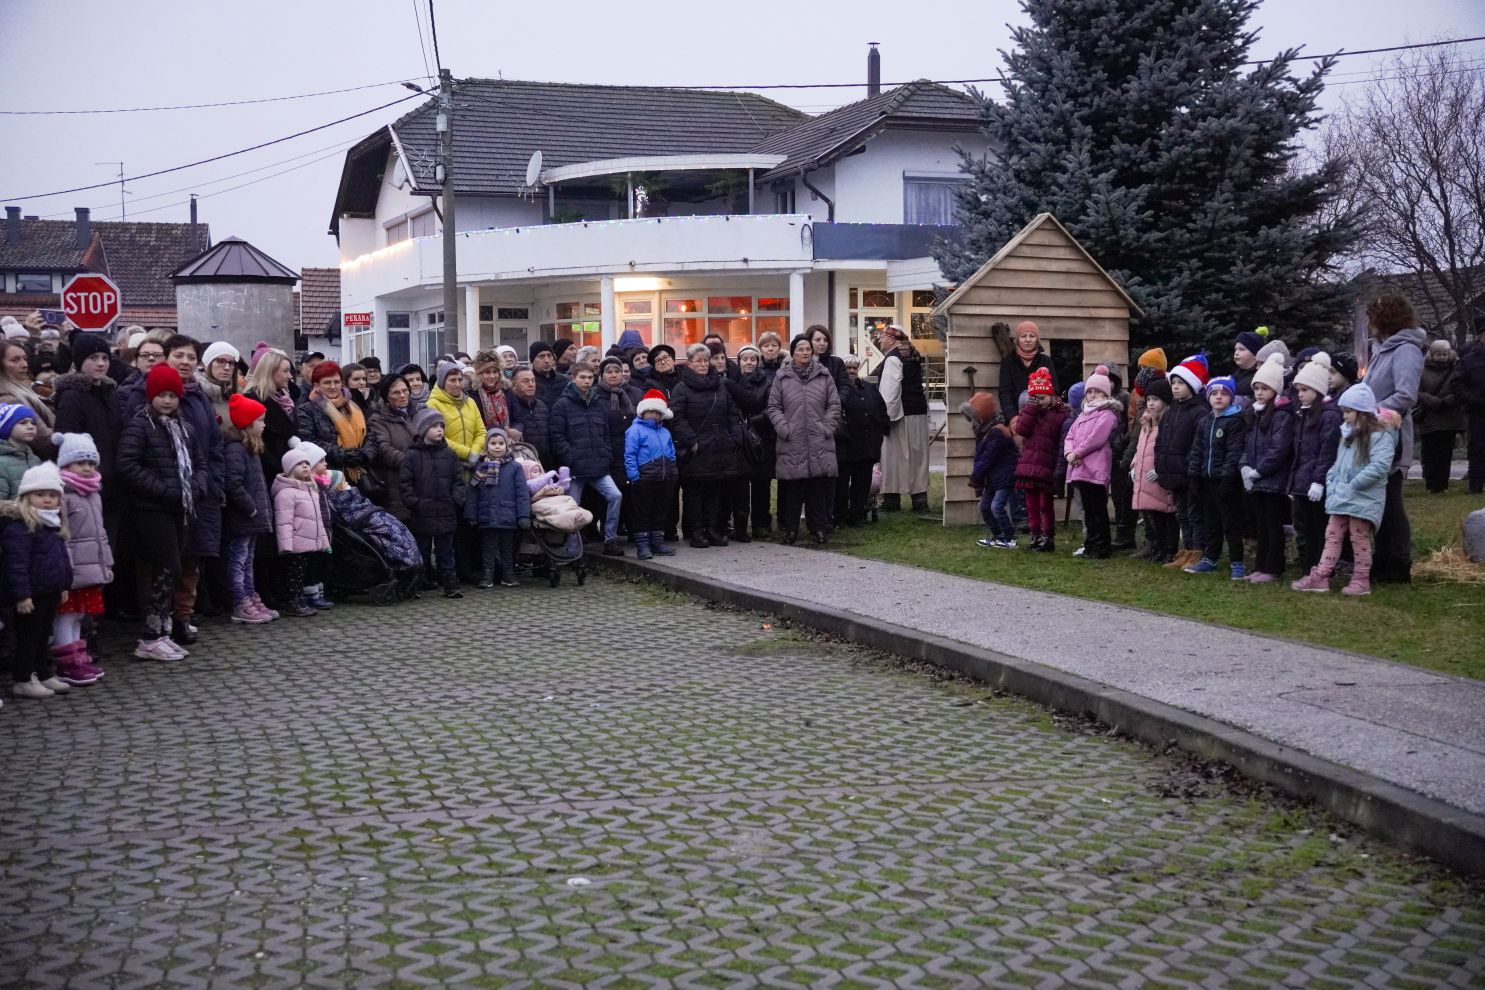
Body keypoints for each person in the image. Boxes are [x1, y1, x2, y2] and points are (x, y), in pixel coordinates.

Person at [116, 364, 199, 661]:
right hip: (151, 508)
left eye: (172, 395)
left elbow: (199, 463)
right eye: (161, 395)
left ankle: (162, 630)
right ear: (151, 396)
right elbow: (127, 465)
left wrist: (196, 487)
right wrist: (164, 489)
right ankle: (150, 636)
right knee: (167, 567)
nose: (167, 401)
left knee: (174, 567)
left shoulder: (185, 427)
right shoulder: (140, 426)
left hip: (181, 507)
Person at [1291, 384, 1399, 596]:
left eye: (1349, 412)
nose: (1345, 417)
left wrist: (1355, 484)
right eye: (1344, 412)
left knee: (1359, 539)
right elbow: (1338, 463)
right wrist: (1331, 480)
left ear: (1362, 412)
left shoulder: (1380, 436)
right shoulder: (1348, 435)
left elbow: (1379, 466)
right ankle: (1321, 575)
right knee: (1332, 535)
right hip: (1342, 495)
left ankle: (1361, 579)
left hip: (1362, 498)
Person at [1361, 294, 1427, 584]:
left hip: (1391, 433)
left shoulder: (1406, 350)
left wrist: (1370, 412)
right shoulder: (1383, 350)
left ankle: (1398, 564)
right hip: (1373, 432)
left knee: (1391, 501)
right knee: (1379, 500)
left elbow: (1405, 394)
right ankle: (1382, 559)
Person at [3, 463, 74, 699]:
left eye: (52, 495)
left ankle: (43, 672)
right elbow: (16, 564)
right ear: (27, 496)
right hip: (31, 593)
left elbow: (61, 557)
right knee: (28, 636)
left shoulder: (53, 523)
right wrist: (22, 595)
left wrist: (64, 584)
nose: (47, 500)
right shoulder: (21, 526)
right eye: (40, 494)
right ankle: (23, 678)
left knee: (44, 634)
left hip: (50, 589)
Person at [670, 343, 747, 547]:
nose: (703, 364)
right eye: (699, 361)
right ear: (689, 363)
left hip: (721, 446)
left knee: (716, 491)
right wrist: (692, 441)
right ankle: (696, 532)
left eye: (706, 360)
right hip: (697, 449)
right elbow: (676, 418)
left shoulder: (720, 385)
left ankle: (713, 529)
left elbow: (732, 414)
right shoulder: (682, 388)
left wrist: (734, 437)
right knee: (695, 493)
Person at [768, 335, 842, 545]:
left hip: (819, 440)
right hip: (792, 441)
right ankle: (790, 530)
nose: (805, 352)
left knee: (817, 490)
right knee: (792, 490)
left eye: (808, 349)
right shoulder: (782, 377)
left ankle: (818, 529)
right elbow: (774, 407)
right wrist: (785, 429)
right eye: (800, 349)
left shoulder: (823, 375)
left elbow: (834, 404)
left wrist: (826, 427)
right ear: (792, 353)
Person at [52, 435, 111, 685]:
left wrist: (106, 564)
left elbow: (100, 534)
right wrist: (66, 570)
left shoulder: (94, 493)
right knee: (65, 615)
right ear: (65, 465)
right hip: (72, 569)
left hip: (90, 568)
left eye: (90, 462)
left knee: (79, 614)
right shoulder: (62, 494)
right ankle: (66, 662)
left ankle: (79, 656)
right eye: (80, 463)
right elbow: (62, 537)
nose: (87, 468)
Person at [550, 363, 624, 556]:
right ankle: (573, 548)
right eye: (582, 377)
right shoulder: (562, 405)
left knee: (615, 496)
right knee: (572, 508)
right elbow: (557, 436)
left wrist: (606, 454)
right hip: (575, 469)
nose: (587, 381)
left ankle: (610, 539)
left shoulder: (598, 403)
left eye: (590, 378)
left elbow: (606, 433)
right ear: (573, 378)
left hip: (598, 465)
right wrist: (570, 458)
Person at [1184, 376, 1249, 578]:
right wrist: (1194, 476)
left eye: (1223, 394)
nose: (1218, 397)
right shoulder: (1205, 421)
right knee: (1211, 522)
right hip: (1207, 480)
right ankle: (1211, 558)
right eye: (1214, 393)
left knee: (1230, 523)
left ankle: (1237, 562)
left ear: (1231, 397)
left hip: (1227, 482)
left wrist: (1228, 477)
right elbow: (1197, 451)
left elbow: (1234, 452)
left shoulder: (1236, 421)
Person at [1239, 354, 1295, 583]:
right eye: (1257, 388)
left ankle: (1273, 566)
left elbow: (1278, 449)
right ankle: (1260, 565)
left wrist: (1259, 470)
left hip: (1272, 480)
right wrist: (1243, 467)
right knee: (1260, 525)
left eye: (1265, 388)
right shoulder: (1254, 413)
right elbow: (1246, 444)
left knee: (1273, 525)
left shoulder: (1282, 415)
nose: (1259, 392)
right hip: (1256, 480)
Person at [399, 408, 466, 598]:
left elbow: (458, 481)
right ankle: (416, 585)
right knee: (422, 552)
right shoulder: (411, 456)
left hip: (446, 511)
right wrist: (415, 503)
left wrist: (455, 500)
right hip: (422, 513)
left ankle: (450, 585)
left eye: (441, 426)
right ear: (423, 429)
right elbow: (405, 484)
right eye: (434, 426)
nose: (439, 430)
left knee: (446, 552)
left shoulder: (450, 455)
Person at [1287, 353, 1342, 575]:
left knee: (1319, 526)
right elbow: (1298, 452)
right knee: (1304, 527)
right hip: (1301, 482)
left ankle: (1322, 568)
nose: (1300, 395)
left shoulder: (1329, 416)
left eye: (1305, 390)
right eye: (1298, 390)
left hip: (1316, 485)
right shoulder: (1303, 415)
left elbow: (1326, 452)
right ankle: (1307, 566)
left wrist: (1318, 481)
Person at [222, 395, 275, 624]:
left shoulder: (251, 449)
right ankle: (240, 600)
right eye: (260, 420)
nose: (264, 425)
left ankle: (251, 595)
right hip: (243, 517)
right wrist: (251, 509)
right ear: (248, 423)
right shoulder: (236, 450)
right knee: (239, 558)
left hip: (251, 518)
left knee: (247, 558)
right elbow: (232, 483)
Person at [1062, 366, 1123, 560]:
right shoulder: (1083, 414)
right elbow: (1070, 436)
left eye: (1097, 391)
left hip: (1095, 468)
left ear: (1105, 393)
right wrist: (1069, 453)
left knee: (1097, 509)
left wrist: (1077, 452)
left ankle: (1101, 546)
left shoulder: (1107, 415)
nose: (1092, 395)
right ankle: (1090, 544)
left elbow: (1096, 438)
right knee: (1087, 510)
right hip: (1079, 467)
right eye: (1089, 391)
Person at [1158, 355, 1211, 568]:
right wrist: (1160, 463)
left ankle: (1197, 551)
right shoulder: (1170, 411)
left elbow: (1198, 445)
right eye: (1174, 383)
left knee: (1195, 514)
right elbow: (1161, 441)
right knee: (1183, 515)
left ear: (1192, 385)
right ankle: (1186, 551)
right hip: (1174, 474)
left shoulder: (1199, 412)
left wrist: (1191, 467)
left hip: (1190, 474)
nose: (1176, 387)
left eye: (1181, 383)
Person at [464, 427, 531, 588]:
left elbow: (522, 493)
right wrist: (471, 515)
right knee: (488, 547)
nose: (497, 446)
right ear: (486, 447)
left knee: (507, 547)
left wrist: (523, 515)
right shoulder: (480, 468)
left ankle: (508, 574)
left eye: (501, 443)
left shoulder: (514, 467)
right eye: (493, 443)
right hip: (486, 514)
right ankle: (488, 574)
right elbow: (472, 492)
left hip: (507, 515)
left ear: (507, 446)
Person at [273, 440, 332, 617]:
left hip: (309, 543)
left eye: (307, 463)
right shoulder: (286, 493)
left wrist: (323, 541)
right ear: (290, 468)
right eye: (300, 464)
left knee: (301, 574)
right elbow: (283, 522)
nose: (305, 466)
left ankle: (300, 599)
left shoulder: (311, 490)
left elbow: (318, 520)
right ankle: (292, 601)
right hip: (295, 544)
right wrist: (286, 545)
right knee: (293, 575)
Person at [1014, 368, 1070, 552]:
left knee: (1045, 505)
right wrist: (1030, 409)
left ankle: (1048, 536)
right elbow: (1021, 430)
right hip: (1029, 465)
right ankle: (1035, 534)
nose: (1039, 402)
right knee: (1031, 505)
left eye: (1042, 397)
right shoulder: (1029, 412)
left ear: (1051, 396)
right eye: (1035, 398)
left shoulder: (1060, 414)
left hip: (1046, 465)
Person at [295, 360, 376, 486]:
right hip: (328, 476)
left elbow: (370, 435)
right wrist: (348, 456)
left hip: (362, 473)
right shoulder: (305, 410)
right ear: (316, 385)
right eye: (327, 382)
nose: (333, 387)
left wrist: (365, 455)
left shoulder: (353, 406)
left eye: (337, 382)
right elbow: (310, 442)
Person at [877, 324, 930, 512]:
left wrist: (886, 418)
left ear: (892, 340)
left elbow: (890, 392)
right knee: (918, 457)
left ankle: (891, 499)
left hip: (900, 415)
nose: (879, 339)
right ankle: (920, 499)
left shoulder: (893, 359)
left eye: (882, 336)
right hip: (918, 412)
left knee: (892, 457)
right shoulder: (911, 357)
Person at [835, 354, 889, 528]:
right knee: (842, 484)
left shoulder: (869, 388)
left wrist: (880, 432)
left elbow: (881, 410)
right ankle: (840, 516)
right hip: (845, 445)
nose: (851, 371)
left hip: (866, 445)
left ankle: (857, 515)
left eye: (854, 368)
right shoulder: (837, 388)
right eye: (847, 368)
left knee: (862, 483)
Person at [624, 389, 679, 560]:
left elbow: (671, 453)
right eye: (651, 411)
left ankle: (657, 542)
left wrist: (673, 471)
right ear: (643, 411)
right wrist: (634, 475)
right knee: (642, 513)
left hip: (664, 477)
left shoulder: (665, 432)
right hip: (644, 478)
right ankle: (642, 545)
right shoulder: (635, 430)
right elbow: (630, 454)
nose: (654, 415)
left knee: (659, 511)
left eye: (658, 412)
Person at [1129, 379, 1178, 562]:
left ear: (1165, 401)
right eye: (1149, 399)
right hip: (1146, 476)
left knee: (1167, 514)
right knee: (1154, 515)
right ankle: (1158, 548)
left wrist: (1161, 470)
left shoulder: (1167, 424)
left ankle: (1169, 550)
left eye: (1156, 399)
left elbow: (1168, 450)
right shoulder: (1146, 424)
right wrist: (1134, 465)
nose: (1151, 403)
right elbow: (1140, 449)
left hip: (1159, 477)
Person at [733, 345, 777, 537]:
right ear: (739, 362)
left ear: (758, 362)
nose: (748, 362)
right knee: (739, 486)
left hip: (762, 438)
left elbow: (773, 407)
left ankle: (761, 524)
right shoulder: (732, 381)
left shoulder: (767, 383)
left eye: (752, 359)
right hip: (738, 439)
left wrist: (755, 420)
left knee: (761, 485)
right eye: (745, 359)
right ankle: (740, 525)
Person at [963, 392, 1017, 548]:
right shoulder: (985, 431)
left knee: (996, 507)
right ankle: (997, 535)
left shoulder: (997, 432)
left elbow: (987, 458)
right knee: (984, 507)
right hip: (993, 478)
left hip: (1005, 477)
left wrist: (975, 477)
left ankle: (1010, 537)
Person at [595, 357, 637, 538]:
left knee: (630, 493)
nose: (614, 375)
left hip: (629, 450)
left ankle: (630, 529)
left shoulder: (631, 393)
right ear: (602, 375)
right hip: (607, 450)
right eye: (609, 372)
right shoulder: (595, 395)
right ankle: (609, 532)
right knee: (611, 495)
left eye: (617, 371)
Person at [1416, 339, 1464, 493]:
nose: (1442, 357)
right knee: (1430, 452)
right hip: (1429, 417)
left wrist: (1447, 401)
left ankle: (1443, 484)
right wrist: (1434, 401)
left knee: (1445, 452)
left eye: (1444, 354)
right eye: (1438, 354)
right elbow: (1416, 391)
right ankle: (1432, 484)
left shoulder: (1456, 369)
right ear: (1432, 354)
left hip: (1449, 416)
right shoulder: (1421, 370)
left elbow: (1460, 388)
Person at [243, 348, 298, 483]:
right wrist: (281, 469)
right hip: (270, 473)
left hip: (290, 469)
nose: (290, 376)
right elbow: (256, 443)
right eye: (285, 371)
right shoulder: (252, 398)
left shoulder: (285, 398)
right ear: (270, 371)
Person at [425, 360, 485, 470]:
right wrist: (467, 453)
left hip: (473, 465)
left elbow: (481, 432)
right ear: (443, 382)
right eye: (452, 380)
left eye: (460, 379)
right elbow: (438, 437)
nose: (457, 384)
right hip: (445, 465)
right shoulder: (432, 404)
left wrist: (475, 452)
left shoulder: (470, 402)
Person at [0, 338, 56, 455]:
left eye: (25, 358)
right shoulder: (9, 400)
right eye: (15, 360)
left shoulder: (28, 388)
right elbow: (42, 439)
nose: (25, 365)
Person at [998, 320, 1056, 420]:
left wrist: (1044, 403)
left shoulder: (1046, 361)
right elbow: (1005, 393)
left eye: (1032, 336)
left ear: (1037, 340)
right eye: (1023, 336)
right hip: (1016, 417)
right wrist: (1012, 418)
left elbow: (1054, 389)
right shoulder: (1008, 362)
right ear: (1017, 340)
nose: (1028, 340)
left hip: (1042, 416)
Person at [1456, 319, 1485, 494]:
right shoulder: (1468, 360)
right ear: (1480, 336)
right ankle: (1475, 485)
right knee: (1477, 449)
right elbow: (1456, 383)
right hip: (1478, 412)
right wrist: (1471, 399)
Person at [507, 367, 554, 468]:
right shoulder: (508, 407)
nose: (531, 384)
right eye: (525, 381)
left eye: (533, 381)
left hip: (545, 464)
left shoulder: (541, 406)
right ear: (513, 384)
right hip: (522, 464)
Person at [0, 404, 42, 499]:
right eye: (23, 423)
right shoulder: (1, 464)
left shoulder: (36, 460)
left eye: (33, 423)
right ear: (6, 427)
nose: (30, 426)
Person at [197, 341, 241, 427]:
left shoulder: (236, 393)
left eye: (231, 363)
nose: (227, 368)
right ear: (208, 363)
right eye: (221, 361)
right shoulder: (198, 392)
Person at [471, 350, 511, 432]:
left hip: (509, 439)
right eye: (487, 372)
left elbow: (518, 417)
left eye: (495, 372)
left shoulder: (507, 391)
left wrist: (516, 429)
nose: (492, 376)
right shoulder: (472, 395)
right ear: (479, 374)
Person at [806, 325, 849, 392]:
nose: (822, 343)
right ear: (808, 341)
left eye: (825, 340)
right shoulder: (802, 362)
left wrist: (836, 402)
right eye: (818, 340)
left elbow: (844, 387)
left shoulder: (837, 363)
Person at [529, 342, 570, 408]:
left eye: (549, 355)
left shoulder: (564, 381)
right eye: (541, 356)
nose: (546, 360)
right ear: (532, 360)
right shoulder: (528, 383)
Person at [1232, 329, 1262, 403]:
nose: (1236, 353)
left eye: (1241, 349)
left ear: (1255, 354)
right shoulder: (1235, 376)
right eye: (1235, 349)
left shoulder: (1257, 379)